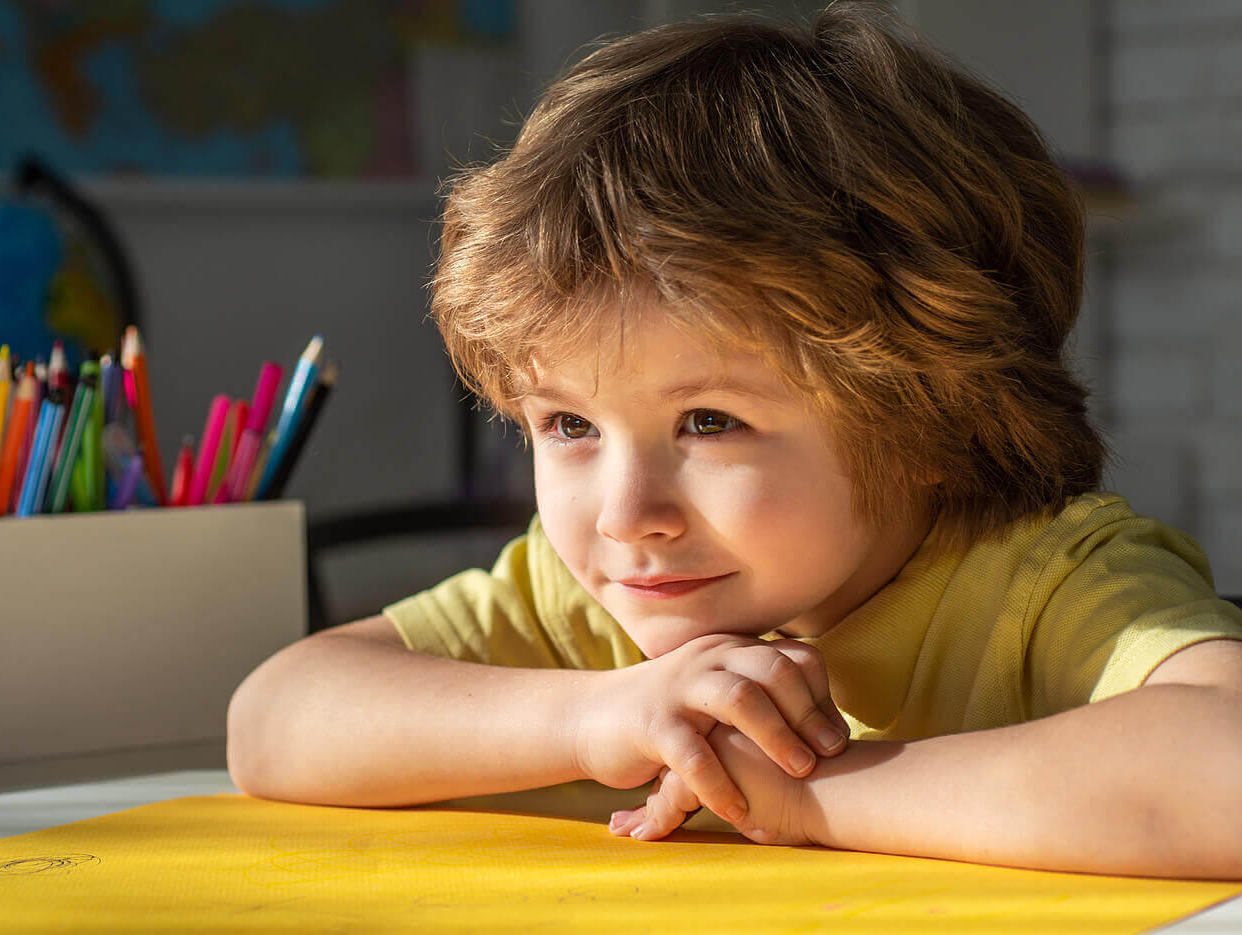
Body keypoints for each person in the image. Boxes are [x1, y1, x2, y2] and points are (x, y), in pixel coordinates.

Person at [228, 3, 1242, 879]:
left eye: (707, 423)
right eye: (569, 425)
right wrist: (597, 715)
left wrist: (814, 800)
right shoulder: (600, 602)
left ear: (930, 417)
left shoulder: (1045, 585)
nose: (627, 516)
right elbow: (273, 720)